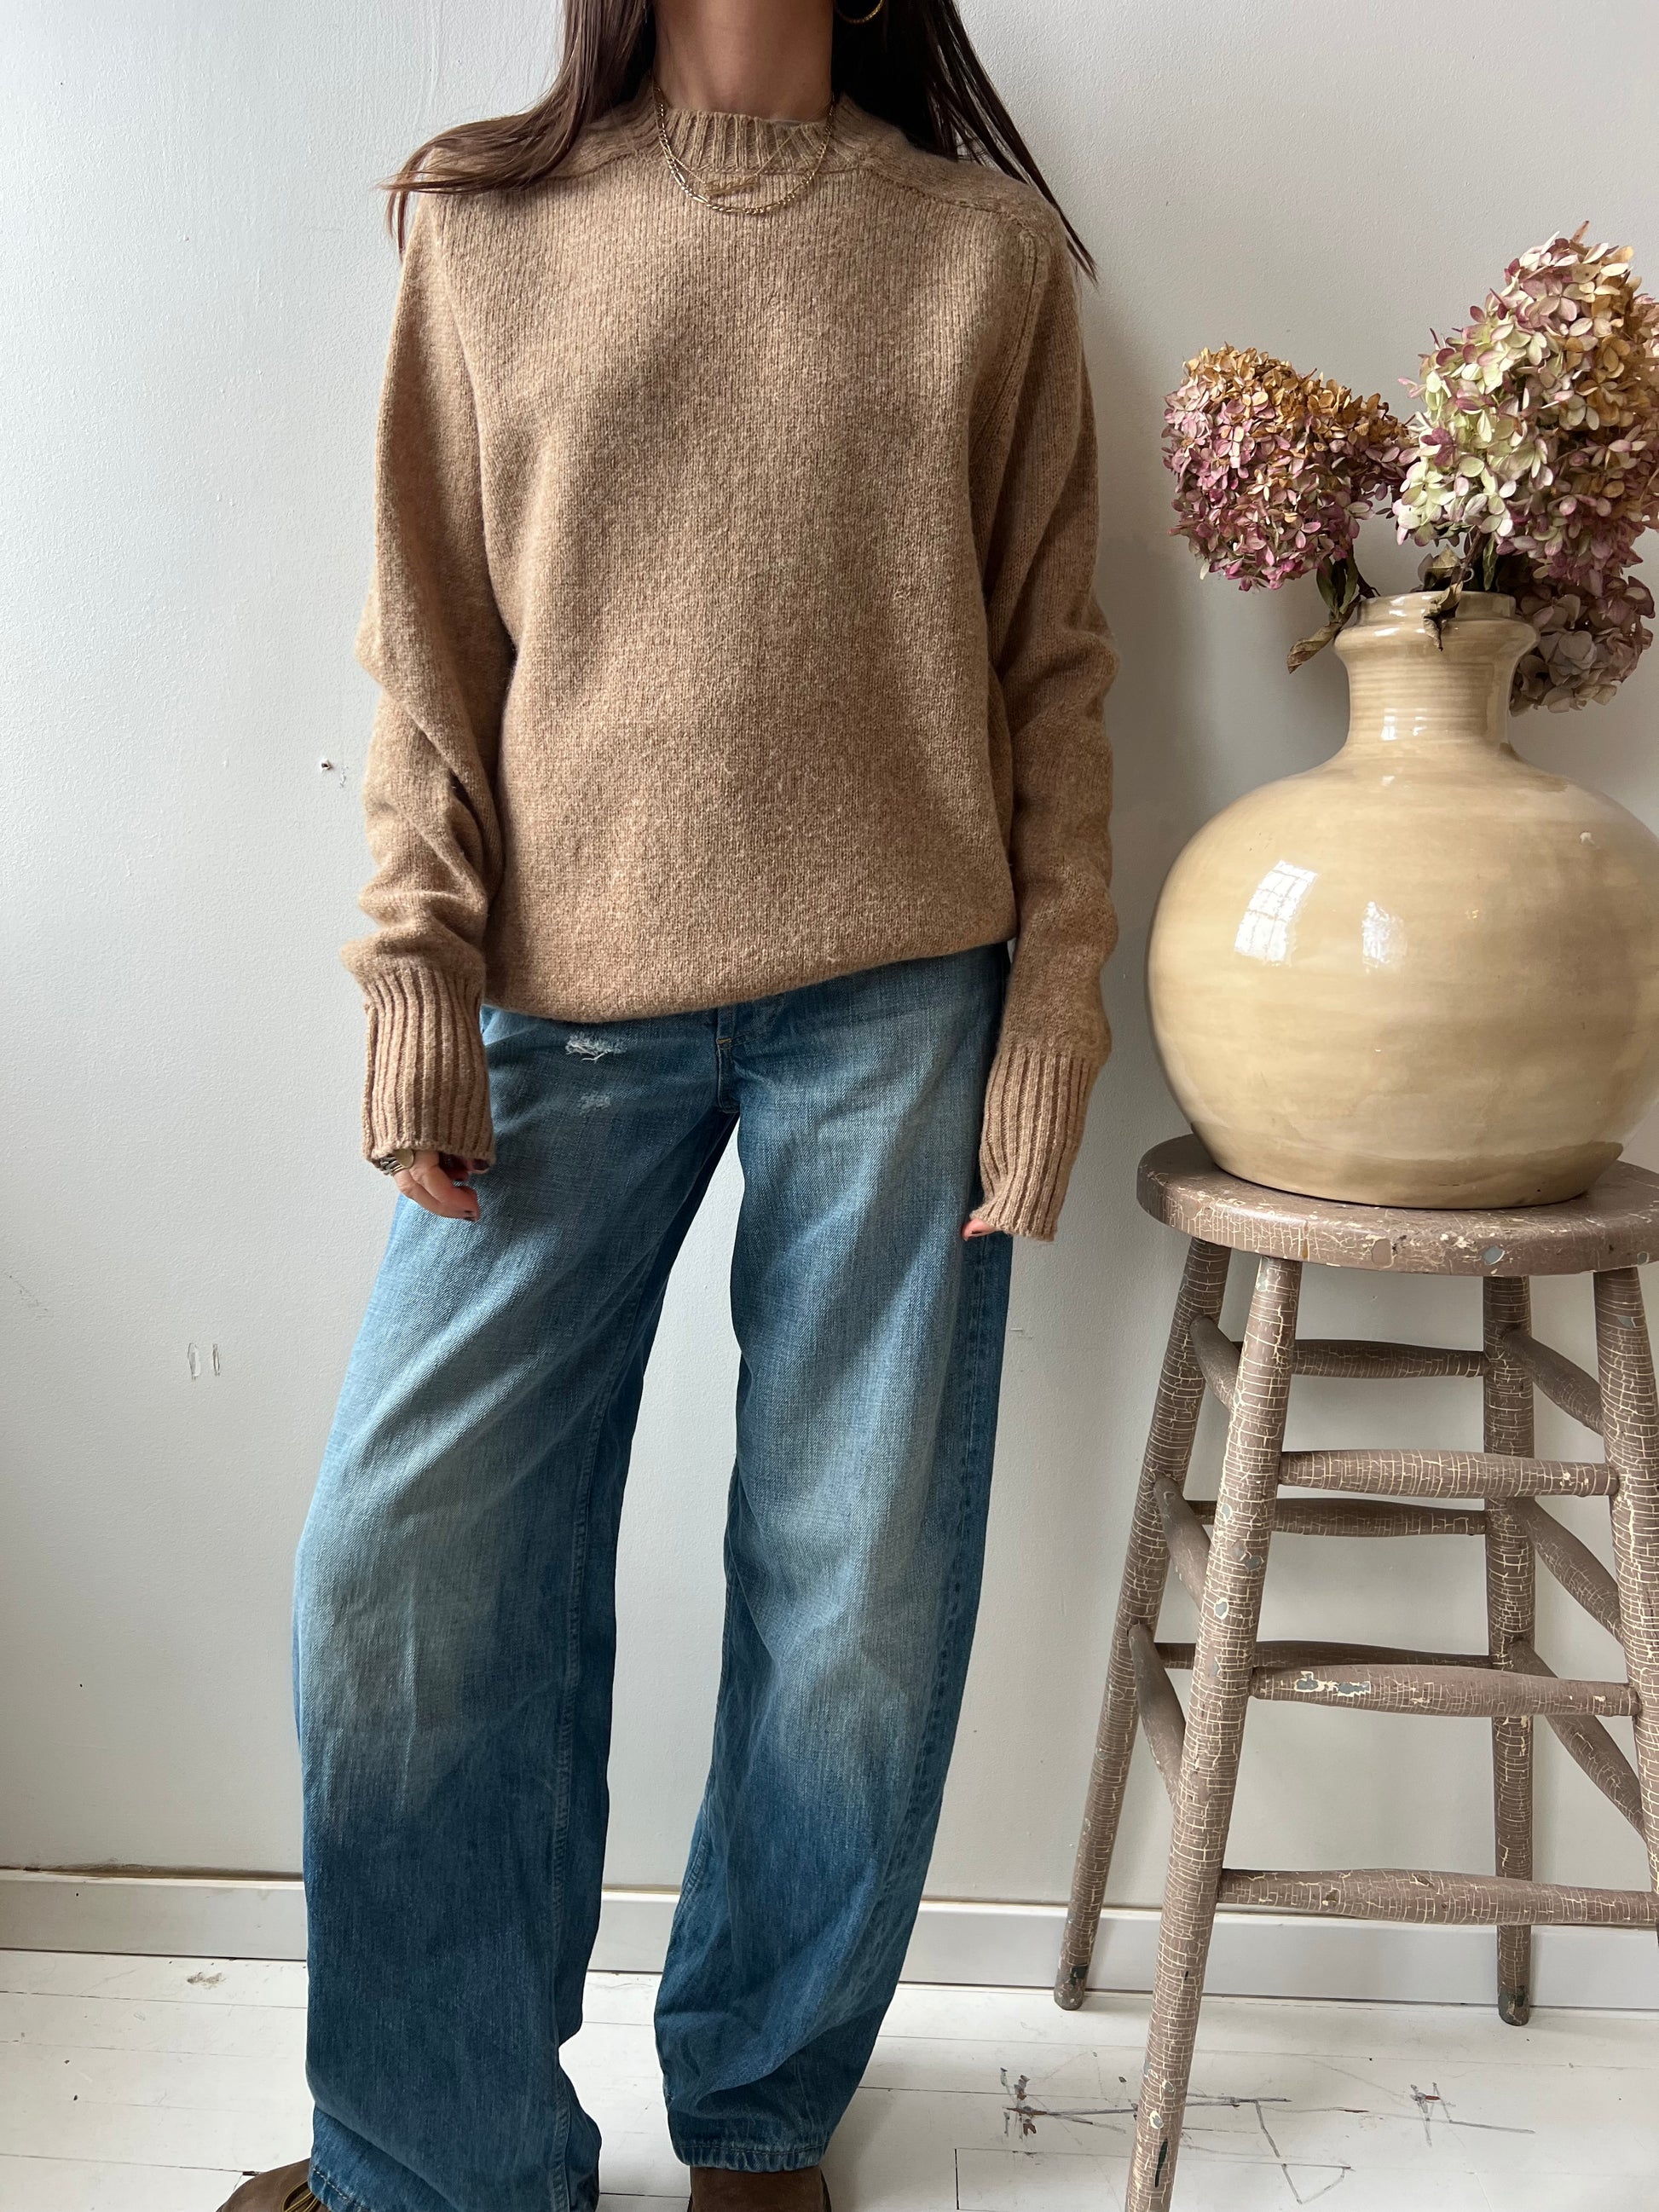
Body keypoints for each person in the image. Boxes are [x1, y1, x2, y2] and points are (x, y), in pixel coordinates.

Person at [226, 0, 1115, 2204]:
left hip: (905, 1002)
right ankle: (439, 2157)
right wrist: (416, 981)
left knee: (856, 1587)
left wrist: (1050, 1024)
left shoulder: (982, 253)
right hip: (557, 1006)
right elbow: (428, 650)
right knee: (403, 1562)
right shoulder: (485, 225)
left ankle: (759, 2118)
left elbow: (1052, 672)